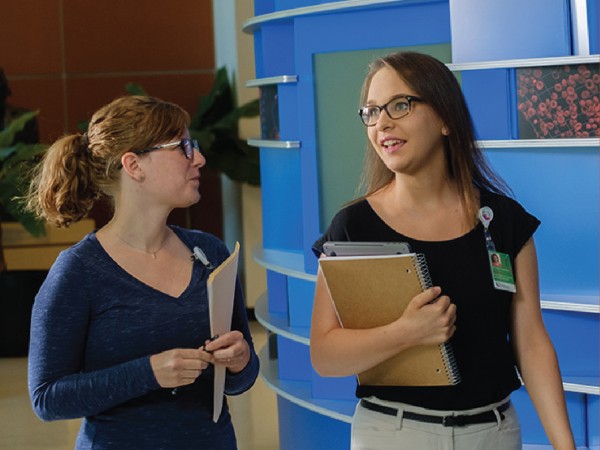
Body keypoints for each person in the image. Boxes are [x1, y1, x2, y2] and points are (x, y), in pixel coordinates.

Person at [310, 52, 575, 449]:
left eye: (400, 105)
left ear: (446, 118)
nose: (382, 122)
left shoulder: (503, 220)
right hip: (392, 434)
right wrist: (404, 333)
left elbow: (531, 343)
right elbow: (325, 355)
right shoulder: (352, 228)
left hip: (495, 433)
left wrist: (564, 445)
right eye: (372, 111)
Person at [26, 95, 259, 449]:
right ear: (134, 165)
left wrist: (241, 361)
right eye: (182, 147)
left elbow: (239, 381)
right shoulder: (78, 271)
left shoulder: (211, 252)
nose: (198, 158)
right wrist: (148, 373)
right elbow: (47, 399)